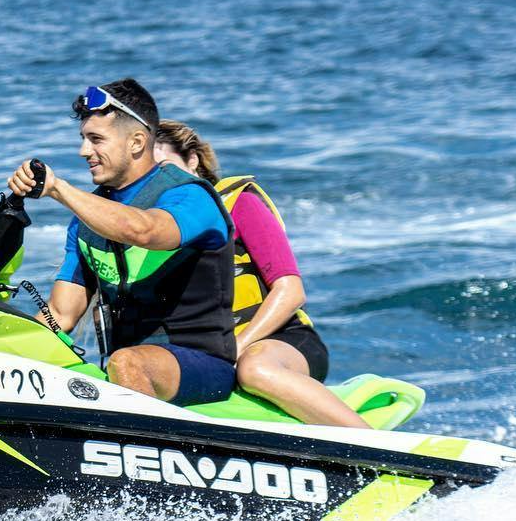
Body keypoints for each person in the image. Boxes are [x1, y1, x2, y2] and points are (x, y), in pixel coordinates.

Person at [7, 79, 237, 406]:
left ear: (137, 142)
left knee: (126, 361)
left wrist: (58, 189)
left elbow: (145, 231)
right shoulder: (87, 221)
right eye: (83, 139)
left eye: (96, 139)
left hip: (200, 362)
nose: (84, 151)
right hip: (127, 365)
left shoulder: (190, 196)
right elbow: (61, 314)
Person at [153, 119, 370, 429]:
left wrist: (237, 348)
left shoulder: (238, 204)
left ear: (193, 160)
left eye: (167, 168)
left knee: (255, 369)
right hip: (208, 356)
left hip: (279, 342)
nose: (164, 182)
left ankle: (383, 455)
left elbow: (291, 291)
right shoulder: (154, 230)